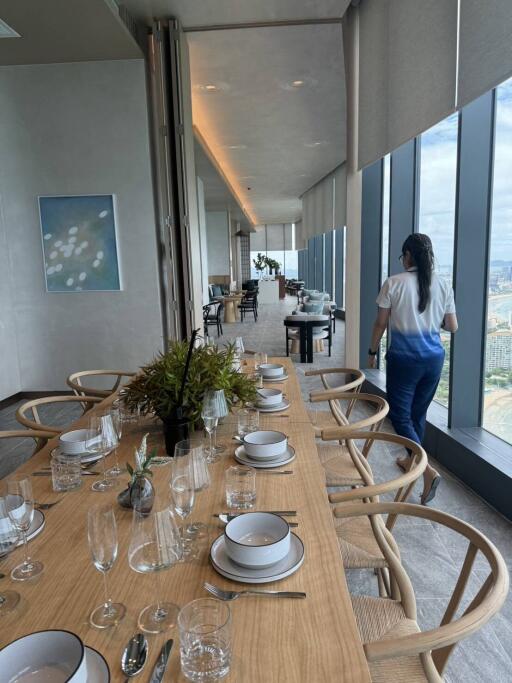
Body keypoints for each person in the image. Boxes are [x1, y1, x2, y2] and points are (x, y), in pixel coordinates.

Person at [368, 233, 458, 504]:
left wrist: (372, 351)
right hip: (433, 359)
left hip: (404, 360)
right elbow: (452, 326)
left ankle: (426, 469)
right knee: (418, 413)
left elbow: (380, 324)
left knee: (398, 415)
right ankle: (411, 462)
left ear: (407, 255)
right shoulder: (443, 284)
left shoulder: (393, 283)